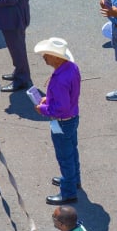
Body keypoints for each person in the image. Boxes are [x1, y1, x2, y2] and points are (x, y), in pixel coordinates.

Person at [33, 38, 81, 205]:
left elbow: (61, 108)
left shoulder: (59, 79)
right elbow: (67, 99)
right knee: (72, 152)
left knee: (64, 157)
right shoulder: (71, 68)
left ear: (58, 58)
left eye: (48, 54)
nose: (44, 57)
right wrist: (50, 98)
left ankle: (68, 192)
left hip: (62, 121)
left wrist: (43, 109)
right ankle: (74, 181)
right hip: (73, 118)